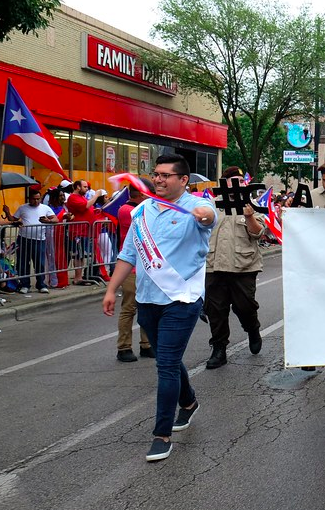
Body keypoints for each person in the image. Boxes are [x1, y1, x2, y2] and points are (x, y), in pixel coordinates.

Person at [102, 154, 217, 462]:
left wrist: (204, 214)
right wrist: (112, 289)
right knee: (170, 357)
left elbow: (208, 217)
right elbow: (128, 254)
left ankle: (161, 434)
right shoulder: (141, 211)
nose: (159, 179)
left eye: (167, 175)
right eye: (156, 174)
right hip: (147, 298)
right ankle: (189, 402)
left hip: (182, 299)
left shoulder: (196, 207)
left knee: (165, 364)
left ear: (183, 180)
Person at [204, 166, 267, 370]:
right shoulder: (211, 206)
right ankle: (219, 348)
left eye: (241, 180)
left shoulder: (252, 205)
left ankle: (252, 329)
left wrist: (249, 217)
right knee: (216, 310)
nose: (238, 183)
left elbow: (258, 233)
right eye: (233, 180)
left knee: (245, 306)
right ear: (224, 182)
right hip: (215, 267)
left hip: (243, 267)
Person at [114, 180, 155, 363]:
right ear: (139, 194)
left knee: (147, 306)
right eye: (147, 193)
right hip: (131, 266)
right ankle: (124, 347)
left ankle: (146, 344)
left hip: (145, 265)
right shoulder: (127, 210)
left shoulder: (143, 208)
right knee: (129, 308)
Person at [2, 188, 59, 294]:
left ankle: (41, 284)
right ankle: (25, 284)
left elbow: (56, 219)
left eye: (38, 199)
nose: (36, 201)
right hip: (24, 239)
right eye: (34, 199)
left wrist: (48, 220)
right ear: (29, 199)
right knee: (23, 262)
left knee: (39, 263)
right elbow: (12, 219)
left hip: (39, 239)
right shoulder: (23, 208)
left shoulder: (45, 208)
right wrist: (7, 212)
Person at [65, 180, 105, 285]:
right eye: (85, 187)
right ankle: (78, 277)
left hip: (85, 231)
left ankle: (80, 276)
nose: (87, 189)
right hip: (78, 231)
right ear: (78, 187)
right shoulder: (73, 197)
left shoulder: (81, 197)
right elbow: (85, 206)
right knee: (78, 255)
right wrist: (96, 195)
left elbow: (87, 208)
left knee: (82, 255)